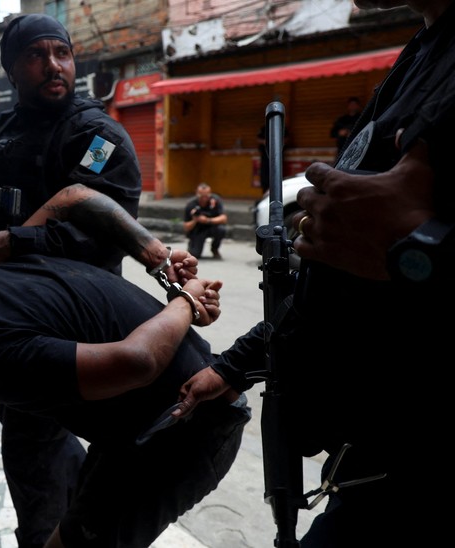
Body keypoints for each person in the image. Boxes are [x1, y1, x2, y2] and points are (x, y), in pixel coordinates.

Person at [177, 0, 454, 545]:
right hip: (367, 459)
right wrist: (237, 364)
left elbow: (398, 250)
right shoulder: (423, 53)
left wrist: (422, 255)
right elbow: (339, 282)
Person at [0, 185, 249, 548]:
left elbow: (138, 361)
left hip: (187, 426)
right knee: (75, 521)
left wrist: (184, 300)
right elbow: (75, 196)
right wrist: (161, 259)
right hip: (145, 418)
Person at [0, 13, 142, 547]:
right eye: (35, 55)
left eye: (62, 53)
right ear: (11, 69)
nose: (54, 65)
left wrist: (14, 242)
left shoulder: (96, 135)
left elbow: (104, 232)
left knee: (55, 451)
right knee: (33, 438)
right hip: (10, 314)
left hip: (74, 320)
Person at [182, 182, 227, 260]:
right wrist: (195, 220)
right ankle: (192, 245)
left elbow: (223, 218)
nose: (204, 198)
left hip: (211, 226)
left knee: (221, 229)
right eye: (201, 196)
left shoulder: (215, 201)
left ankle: (214, 248)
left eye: (206, 196)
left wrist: (207, 220)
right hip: (198, 229)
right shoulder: (191, 204)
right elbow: (186, 227)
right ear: (197, 194)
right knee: (194, 255)